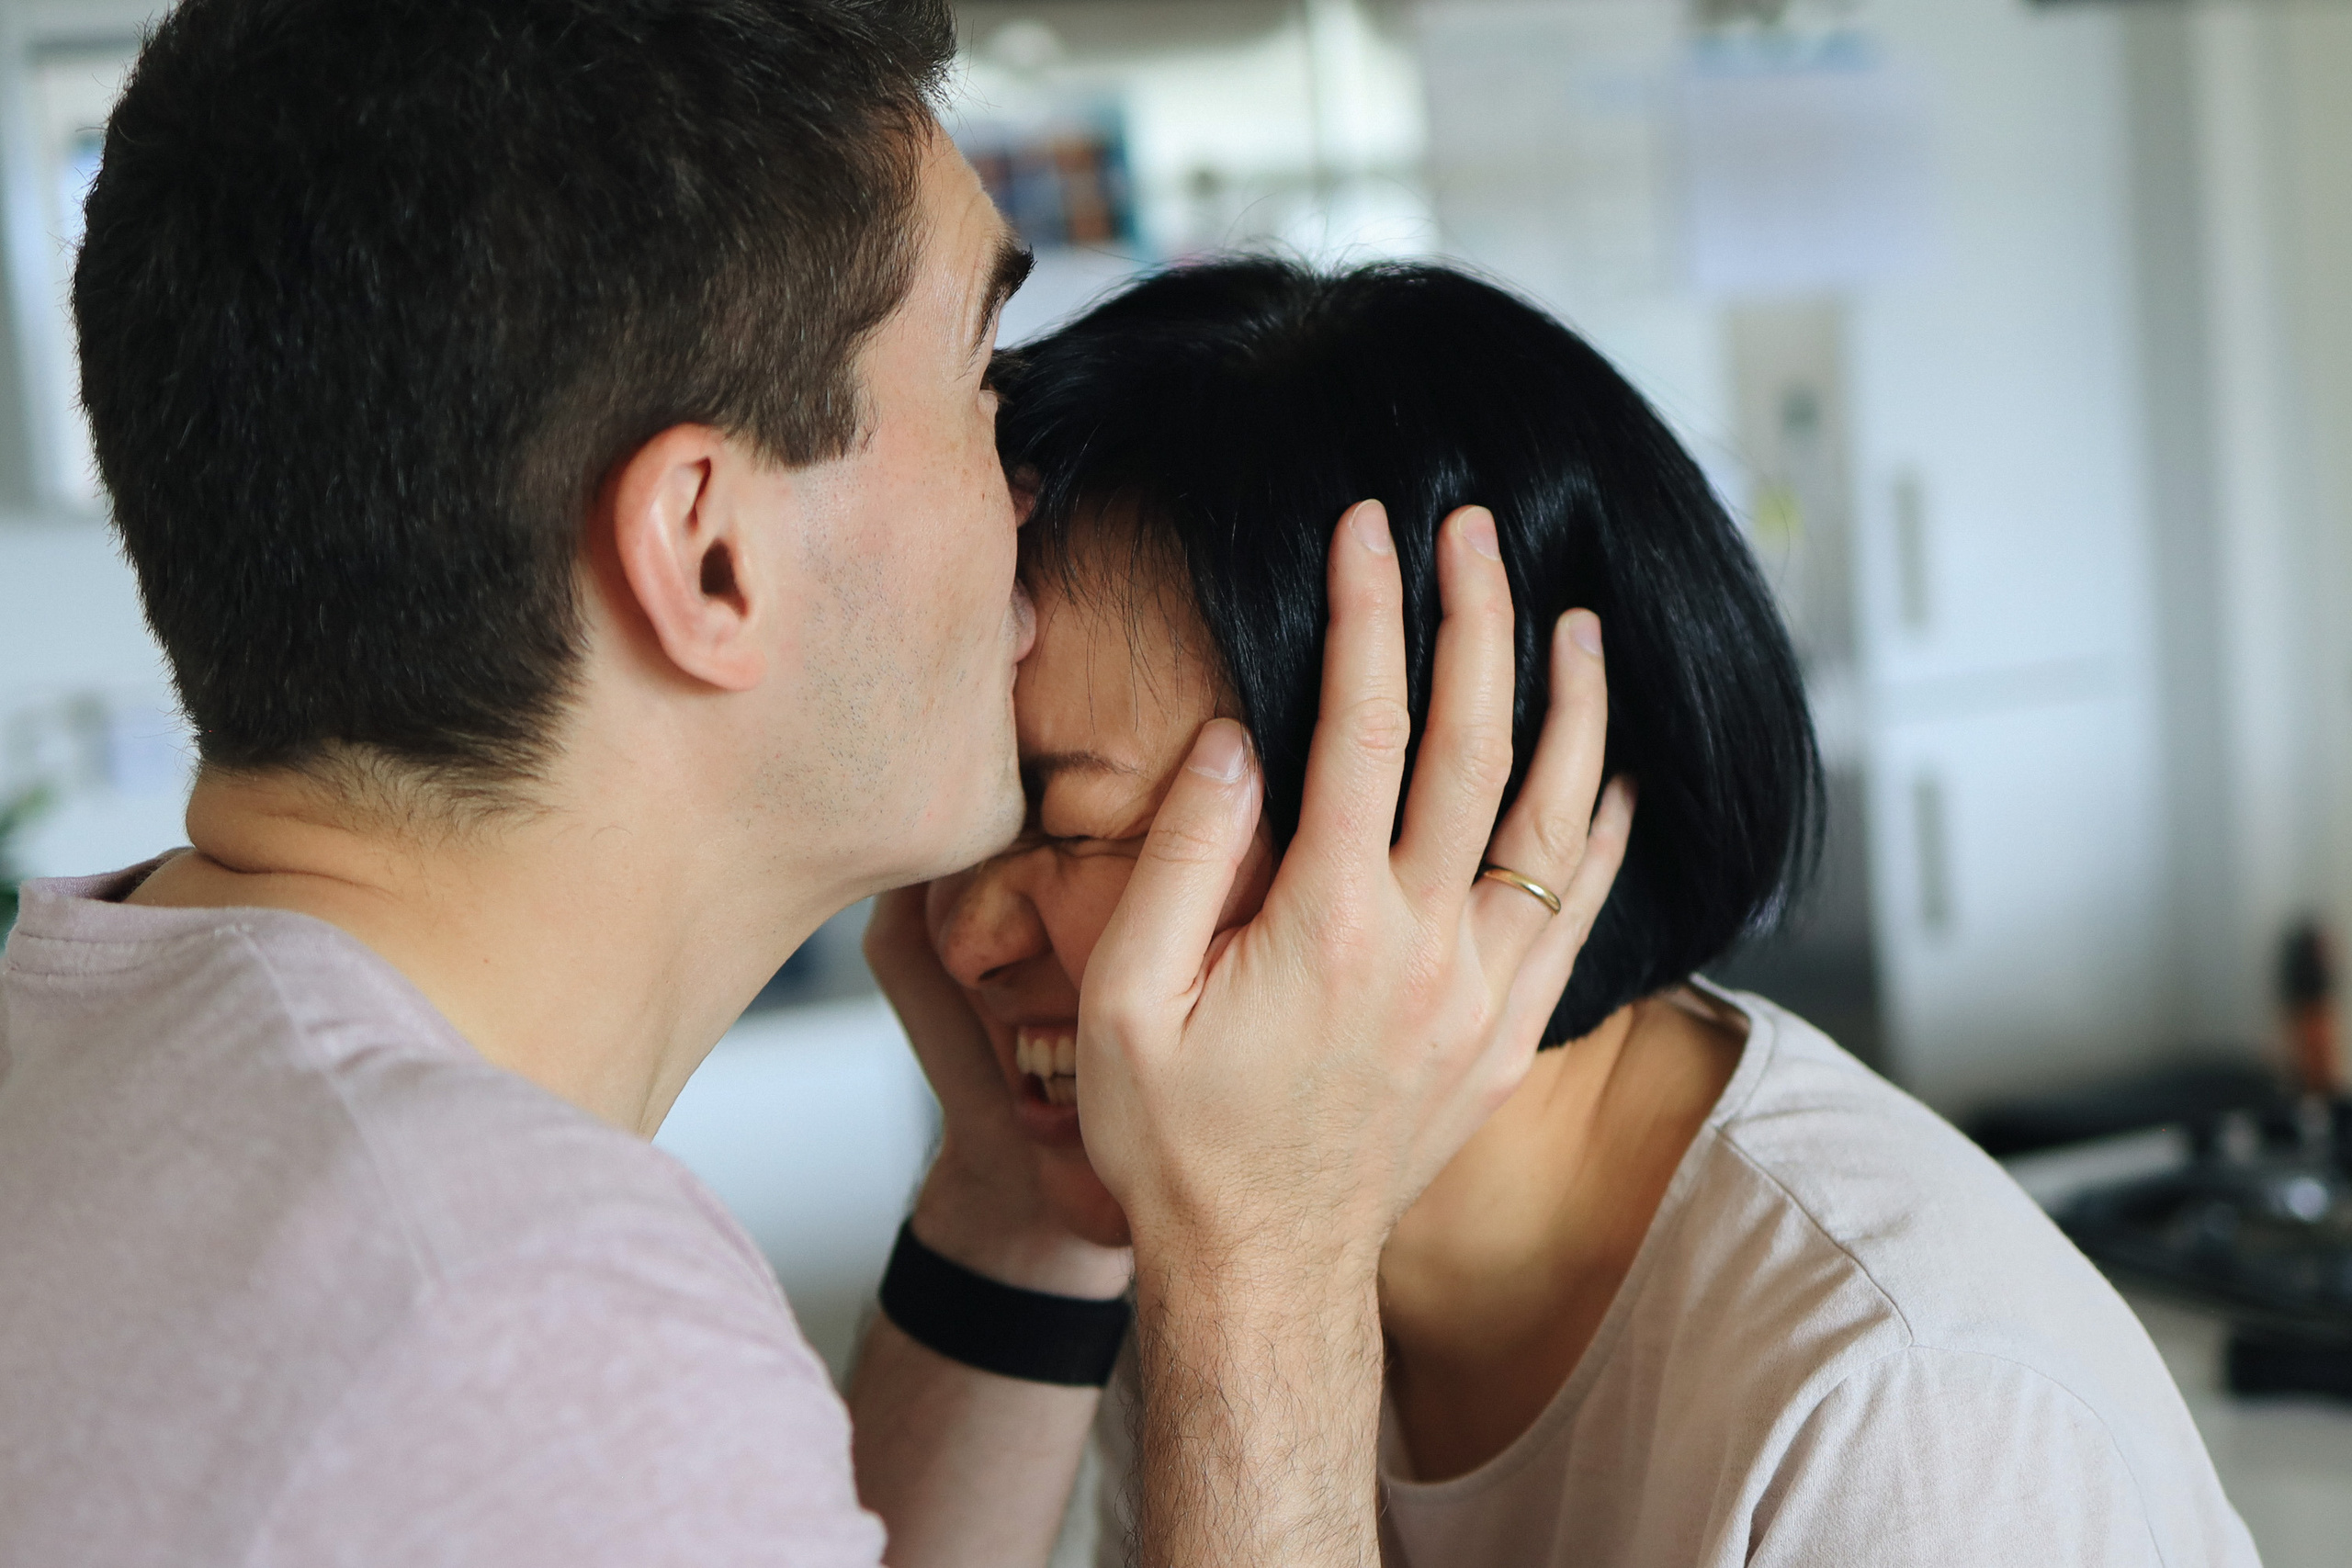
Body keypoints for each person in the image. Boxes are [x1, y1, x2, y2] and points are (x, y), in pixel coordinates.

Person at [0, 5, 1627, 1566]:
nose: (1031, 492)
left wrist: (1013, 1200)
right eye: (979, 391)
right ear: (711, 556)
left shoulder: (106, 1058)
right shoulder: (514, 1328)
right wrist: (1269, 1262)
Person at [905, 257, 2262, 1566]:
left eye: (1068, 823)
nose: (964, 934)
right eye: (964, 815)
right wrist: (1016, 1187)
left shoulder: (1901, 1415)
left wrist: (1249, 1287)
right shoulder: (1213, 1233)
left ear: (1444, 807)